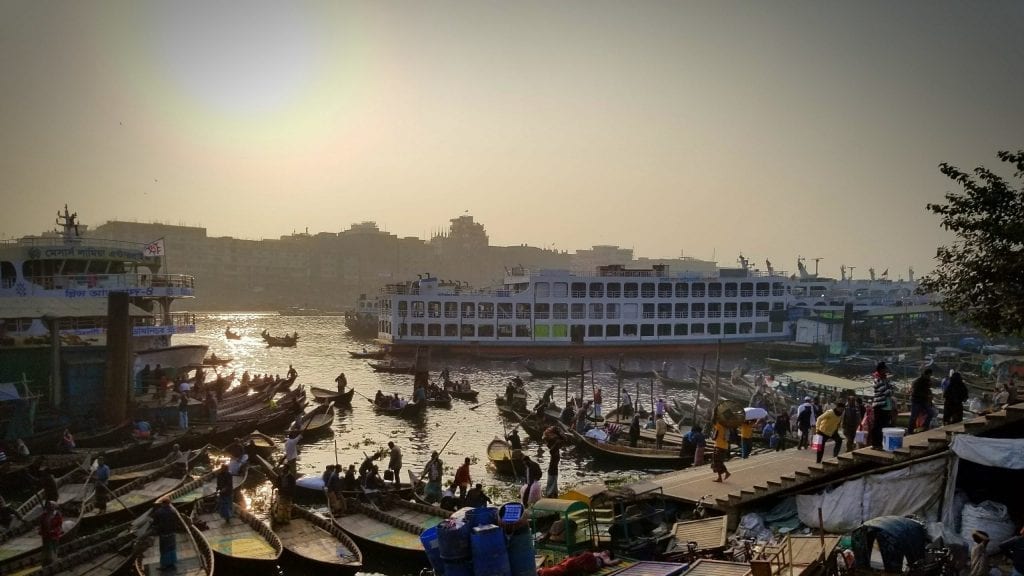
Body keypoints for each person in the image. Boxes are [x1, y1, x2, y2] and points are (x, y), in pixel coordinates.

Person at [538, 550, 620, 576]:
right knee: (566, 563)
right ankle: (544, 571)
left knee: (587, 555)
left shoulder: (605, 558)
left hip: (592, 565)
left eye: (607, 552)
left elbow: (611, 563)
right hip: (582, 563)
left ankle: (543, 571)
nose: (605, 552)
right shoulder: (597, 553)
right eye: (605, 551)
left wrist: (618, 560)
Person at [870, 362, 895, 449]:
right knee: (878, 425)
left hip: (886, 406)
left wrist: (890, 389)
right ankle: (875, 444)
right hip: (879, 406)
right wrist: (890, 389)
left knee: (885, 425)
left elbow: (890, 389)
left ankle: (881, 443)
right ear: (881, 370)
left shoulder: (884, 379)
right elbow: (886, 392)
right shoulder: (877, 379)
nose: (886, 371)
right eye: (884, 369)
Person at [152, 496, 177, 570]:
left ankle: (164, 565)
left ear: (163, 504)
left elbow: (155, 523)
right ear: (169, 503)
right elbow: (176, 523)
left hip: (164, 535)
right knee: (172, 548)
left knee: (164, 550)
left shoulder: (159, 512)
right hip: (172, 534)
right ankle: (172, 564)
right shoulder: (173, 511)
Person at [908, 368, 934, 434]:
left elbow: (928, 389)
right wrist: (925, 395)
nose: (930, 377)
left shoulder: (927, 380)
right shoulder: (918, 381)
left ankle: (925, 426)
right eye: (929, 375)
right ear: (926, 374)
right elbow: (914, 392)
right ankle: (910, 431)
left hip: (924, 401)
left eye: (930, 376)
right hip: (916, 401)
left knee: (931, 413)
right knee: (914, 416)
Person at [39, 500, 63, 566]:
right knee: (46, 547)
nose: (49, 507)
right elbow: (41, 524)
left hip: (54, 534)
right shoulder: (44, 515)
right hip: (45, 534)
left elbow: (59, 525)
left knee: (54, 547)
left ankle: (54, 560)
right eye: (48, 506)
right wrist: (41, 531)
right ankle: (46, 560)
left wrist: (54, 531)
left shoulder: (57, 515)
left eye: (51, 505)